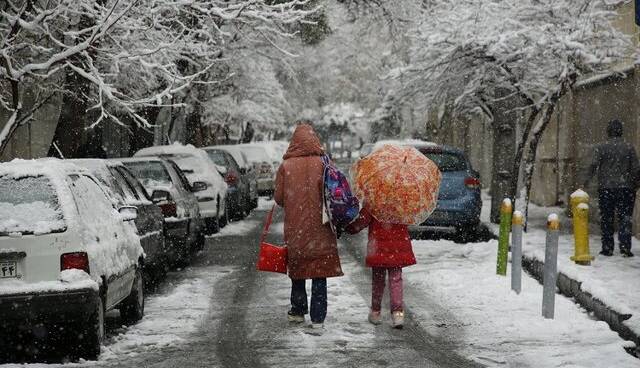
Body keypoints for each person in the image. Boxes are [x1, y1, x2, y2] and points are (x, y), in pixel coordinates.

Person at [274, 122, 343, 330]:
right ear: (315, 140)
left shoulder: (286, 166)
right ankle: (318, 318)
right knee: (319, 270)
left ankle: (297, 310)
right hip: (322, 226)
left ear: (294, 142)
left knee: (298, 268)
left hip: (296, 228)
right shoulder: (324, 163)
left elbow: (279, 198)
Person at [345, 204, 416, 329]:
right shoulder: (402, 199)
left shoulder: (374, 199)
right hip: (397, 247)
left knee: (378, 281)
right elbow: (410, 218)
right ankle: (397, 314)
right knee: (396, 280)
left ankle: (376, 312)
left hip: (378, 246)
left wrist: (348, 228)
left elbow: (362, 221)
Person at [585, 119, 640, 257]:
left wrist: (586, 180)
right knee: (625, 218)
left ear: (608, 131)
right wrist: (636, 184)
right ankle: (625, 247)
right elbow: (635, 168)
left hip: (606, 188)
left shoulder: (602, 147)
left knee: (606, 218)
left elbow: (593, 165)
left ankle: (607, 247)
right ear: (621, 131)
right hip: (626, 189)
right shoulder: (629, 147)